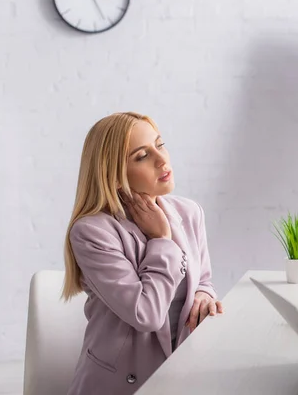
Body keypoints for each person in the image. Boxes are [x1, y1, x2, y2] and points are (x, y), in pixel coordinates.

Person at [62, 112, 224, 394]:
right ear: (113, 175)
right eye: (141, 156)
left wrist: (204, 296)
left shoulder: (189, 212)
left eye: (159, 145)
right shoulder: (91, 232)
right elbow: (146, 314)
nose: (162, 160)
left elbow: (204, 281)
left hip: (181, 377)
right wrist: (161, 239)